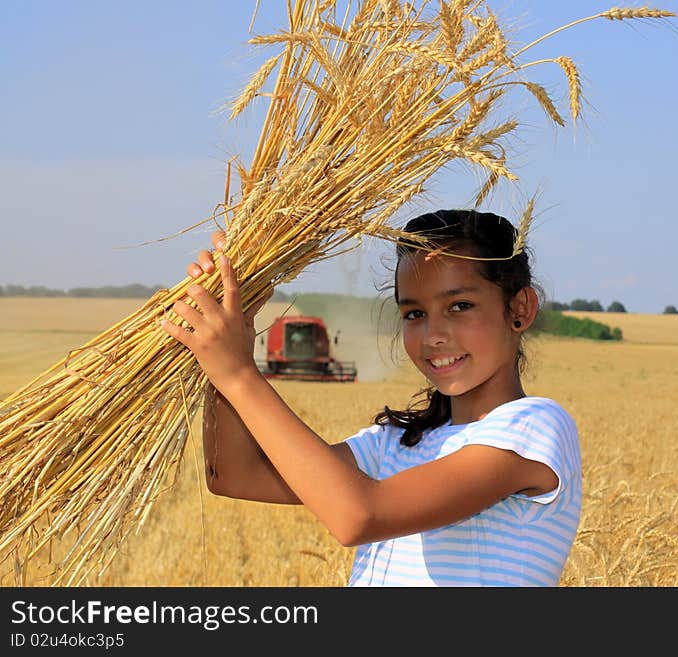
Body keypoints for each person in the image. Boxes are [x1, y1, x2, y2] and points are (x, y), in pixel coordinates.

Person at [161, 209, 583, 586]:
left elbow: (357, 515)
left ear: (520, 308)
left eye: (459, 306)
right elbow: (234, 475)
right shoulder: (398, 444)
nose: (434, 335)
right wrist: (233, 327)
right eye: (414, 314)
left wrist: (236, 373)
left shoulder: (534, 427)